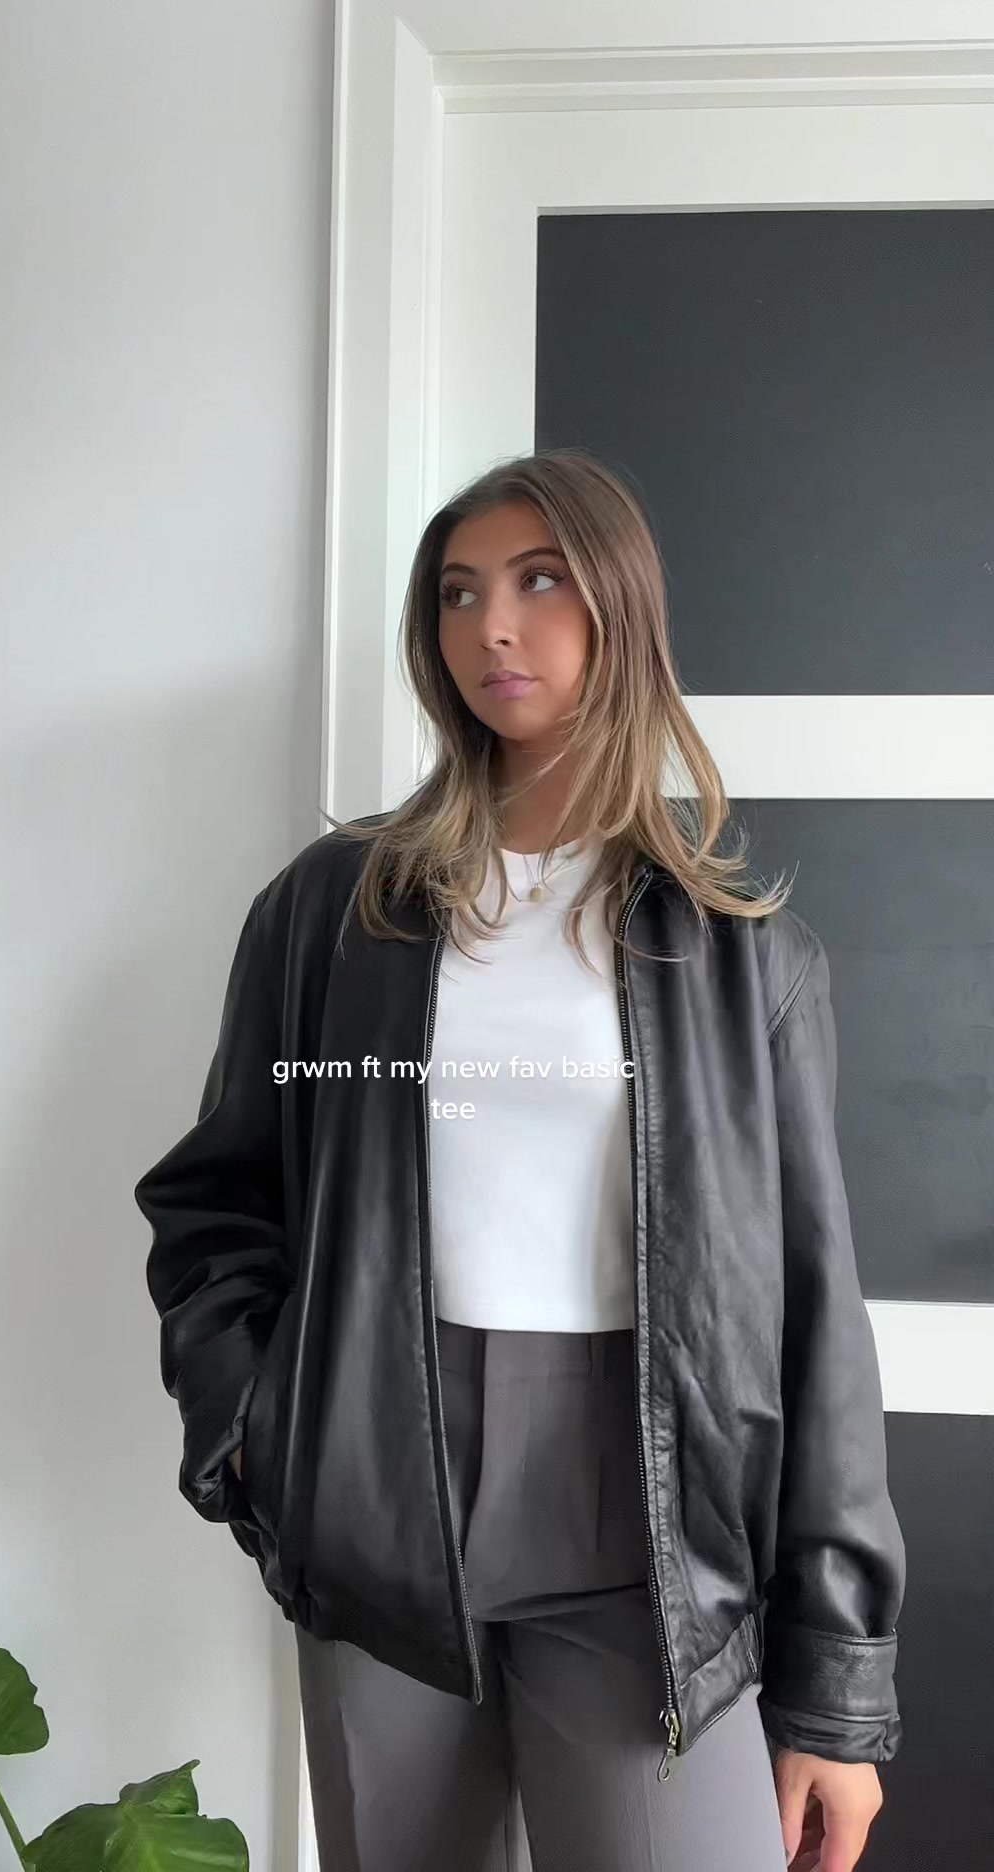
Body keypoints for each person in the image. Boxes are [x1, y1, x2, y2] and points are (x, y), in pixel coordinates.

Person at [134, 449, 906, 1872]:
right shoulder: (335, 912)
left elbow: (813, 1318)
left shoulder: (743, 952)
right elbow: (215, 1200)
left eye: (541, 581)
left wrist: (838, 1700)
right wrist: (257, 1435)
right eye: (458, 592)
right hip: (380, 1488)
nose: (492, 625)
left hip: (656, 1523)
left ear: (621, 607)